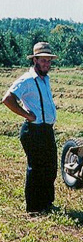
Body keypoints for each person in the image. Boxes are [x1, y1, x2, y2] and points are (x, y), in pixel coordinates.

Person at [2, 42, 58, 214]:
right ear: (35, 60)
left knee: (50, 167)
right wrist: (26, 115)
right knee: (36, 168)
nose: (46, 64)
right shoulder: (27, 79)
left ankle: (46, 203)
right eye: (43, 61)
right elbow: (7, 99)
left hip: (46, 130)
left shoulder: (44, 79)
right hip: (33, 131)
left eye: (49, 61)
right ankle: (33, 209)